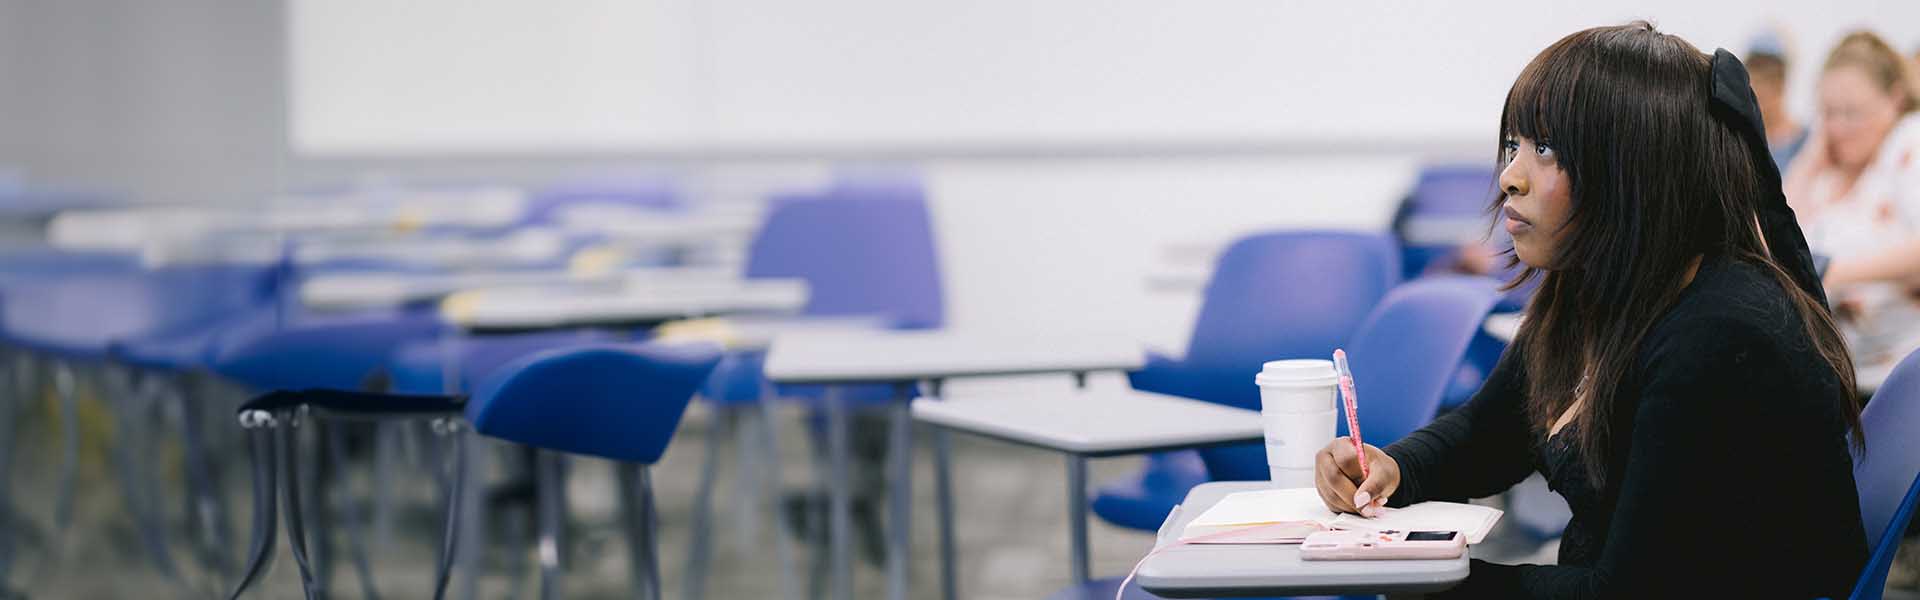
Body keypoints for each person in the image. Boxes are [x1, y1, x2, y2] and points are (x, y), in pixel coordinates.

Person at [1314, 22, 1867, 598]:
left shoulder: (1722, 335)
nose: (1510, 177)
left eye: (1546, 150)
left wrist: (1428, 579)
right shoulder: (1595, 291)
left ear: (1634, 172)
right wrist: (1395, 468)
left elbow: (1627, 591)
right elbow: (1491, 432)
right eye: (1513, 145)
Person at [1785, 31, 1920, 367]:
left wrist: (1827, 273)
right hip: (1843, 372)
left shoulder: (1908, 144)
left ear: (1895, 99)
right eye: (1829, 113)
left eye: (1852, 112)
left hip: (1901, 372)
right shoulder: (1830, 170)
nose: (1839, 127)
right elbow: (1777, 233)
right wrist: (1809, 161)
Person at [1748, 29, 1810, 168]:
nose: (1762, 88)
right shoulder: (1738, 141)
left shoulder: (1809, 144)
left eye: (1771, 76)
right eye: (1756, 75)